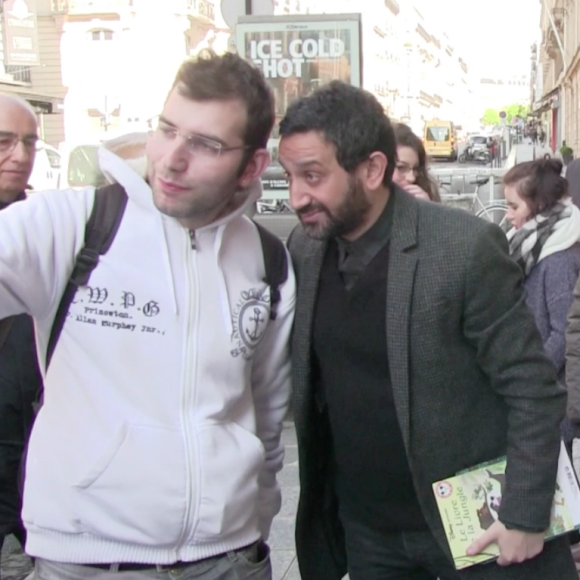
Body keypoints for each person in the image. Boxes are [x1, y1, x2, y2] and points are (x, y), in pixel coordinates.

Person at [0, 52, 295, 580]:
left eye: (205, 144)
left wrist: (251, 523)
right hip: (86, 559)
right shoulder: (73, 225)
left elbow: (268, 416)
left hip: (230, 559)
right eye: (167, 130)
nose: (171, 160)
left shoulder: (268, 260)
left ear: (251, 165)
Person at [280, 81, 576, 580]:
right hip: (369, 535)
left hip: (479, 532)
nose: (296, 197)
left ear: (372, 169)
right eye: (289, 176)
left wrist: (524, 515)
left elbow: (534, 389)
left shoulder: (462, 247)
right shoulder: (305, 249)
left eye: (312, 176)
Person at [504, 159, 580, 453]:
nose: (508, 216)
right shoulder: (537, 244)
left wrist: (528, 376)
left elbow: (562, 334)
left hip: (553, 399)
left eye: (514, 206)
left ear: (538, 207)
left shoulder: (557, 257)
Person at [0, 94, 43, 576]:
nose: (20, 155)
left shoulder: (49, 235)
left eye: (29, 142)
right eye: (4, 142)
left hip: (32, 492)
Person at [392, 123, 440, 202]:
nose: (412, 178)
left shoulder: (426, 191)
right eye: (401, 168)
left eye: (415, 169)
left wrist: (427, 209)